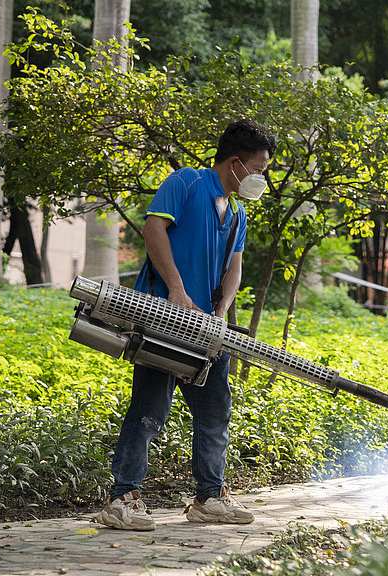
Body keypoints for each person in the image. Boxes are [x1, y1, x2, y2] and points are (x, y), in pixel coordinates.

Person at [94, 119, 275, 531]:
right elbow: (154, 229)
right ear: (236, 163)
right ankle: (122, 498)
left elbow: (234, 269)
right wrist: (177, 290)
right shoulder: (186, 183)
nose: (263, 177)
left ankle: (209, 497)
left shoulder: (237, 213)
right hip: (164, 318)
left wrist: (220, 310)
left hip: (207, 330)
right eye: (260, 168)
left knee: (215, 410)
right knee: (149, 409)